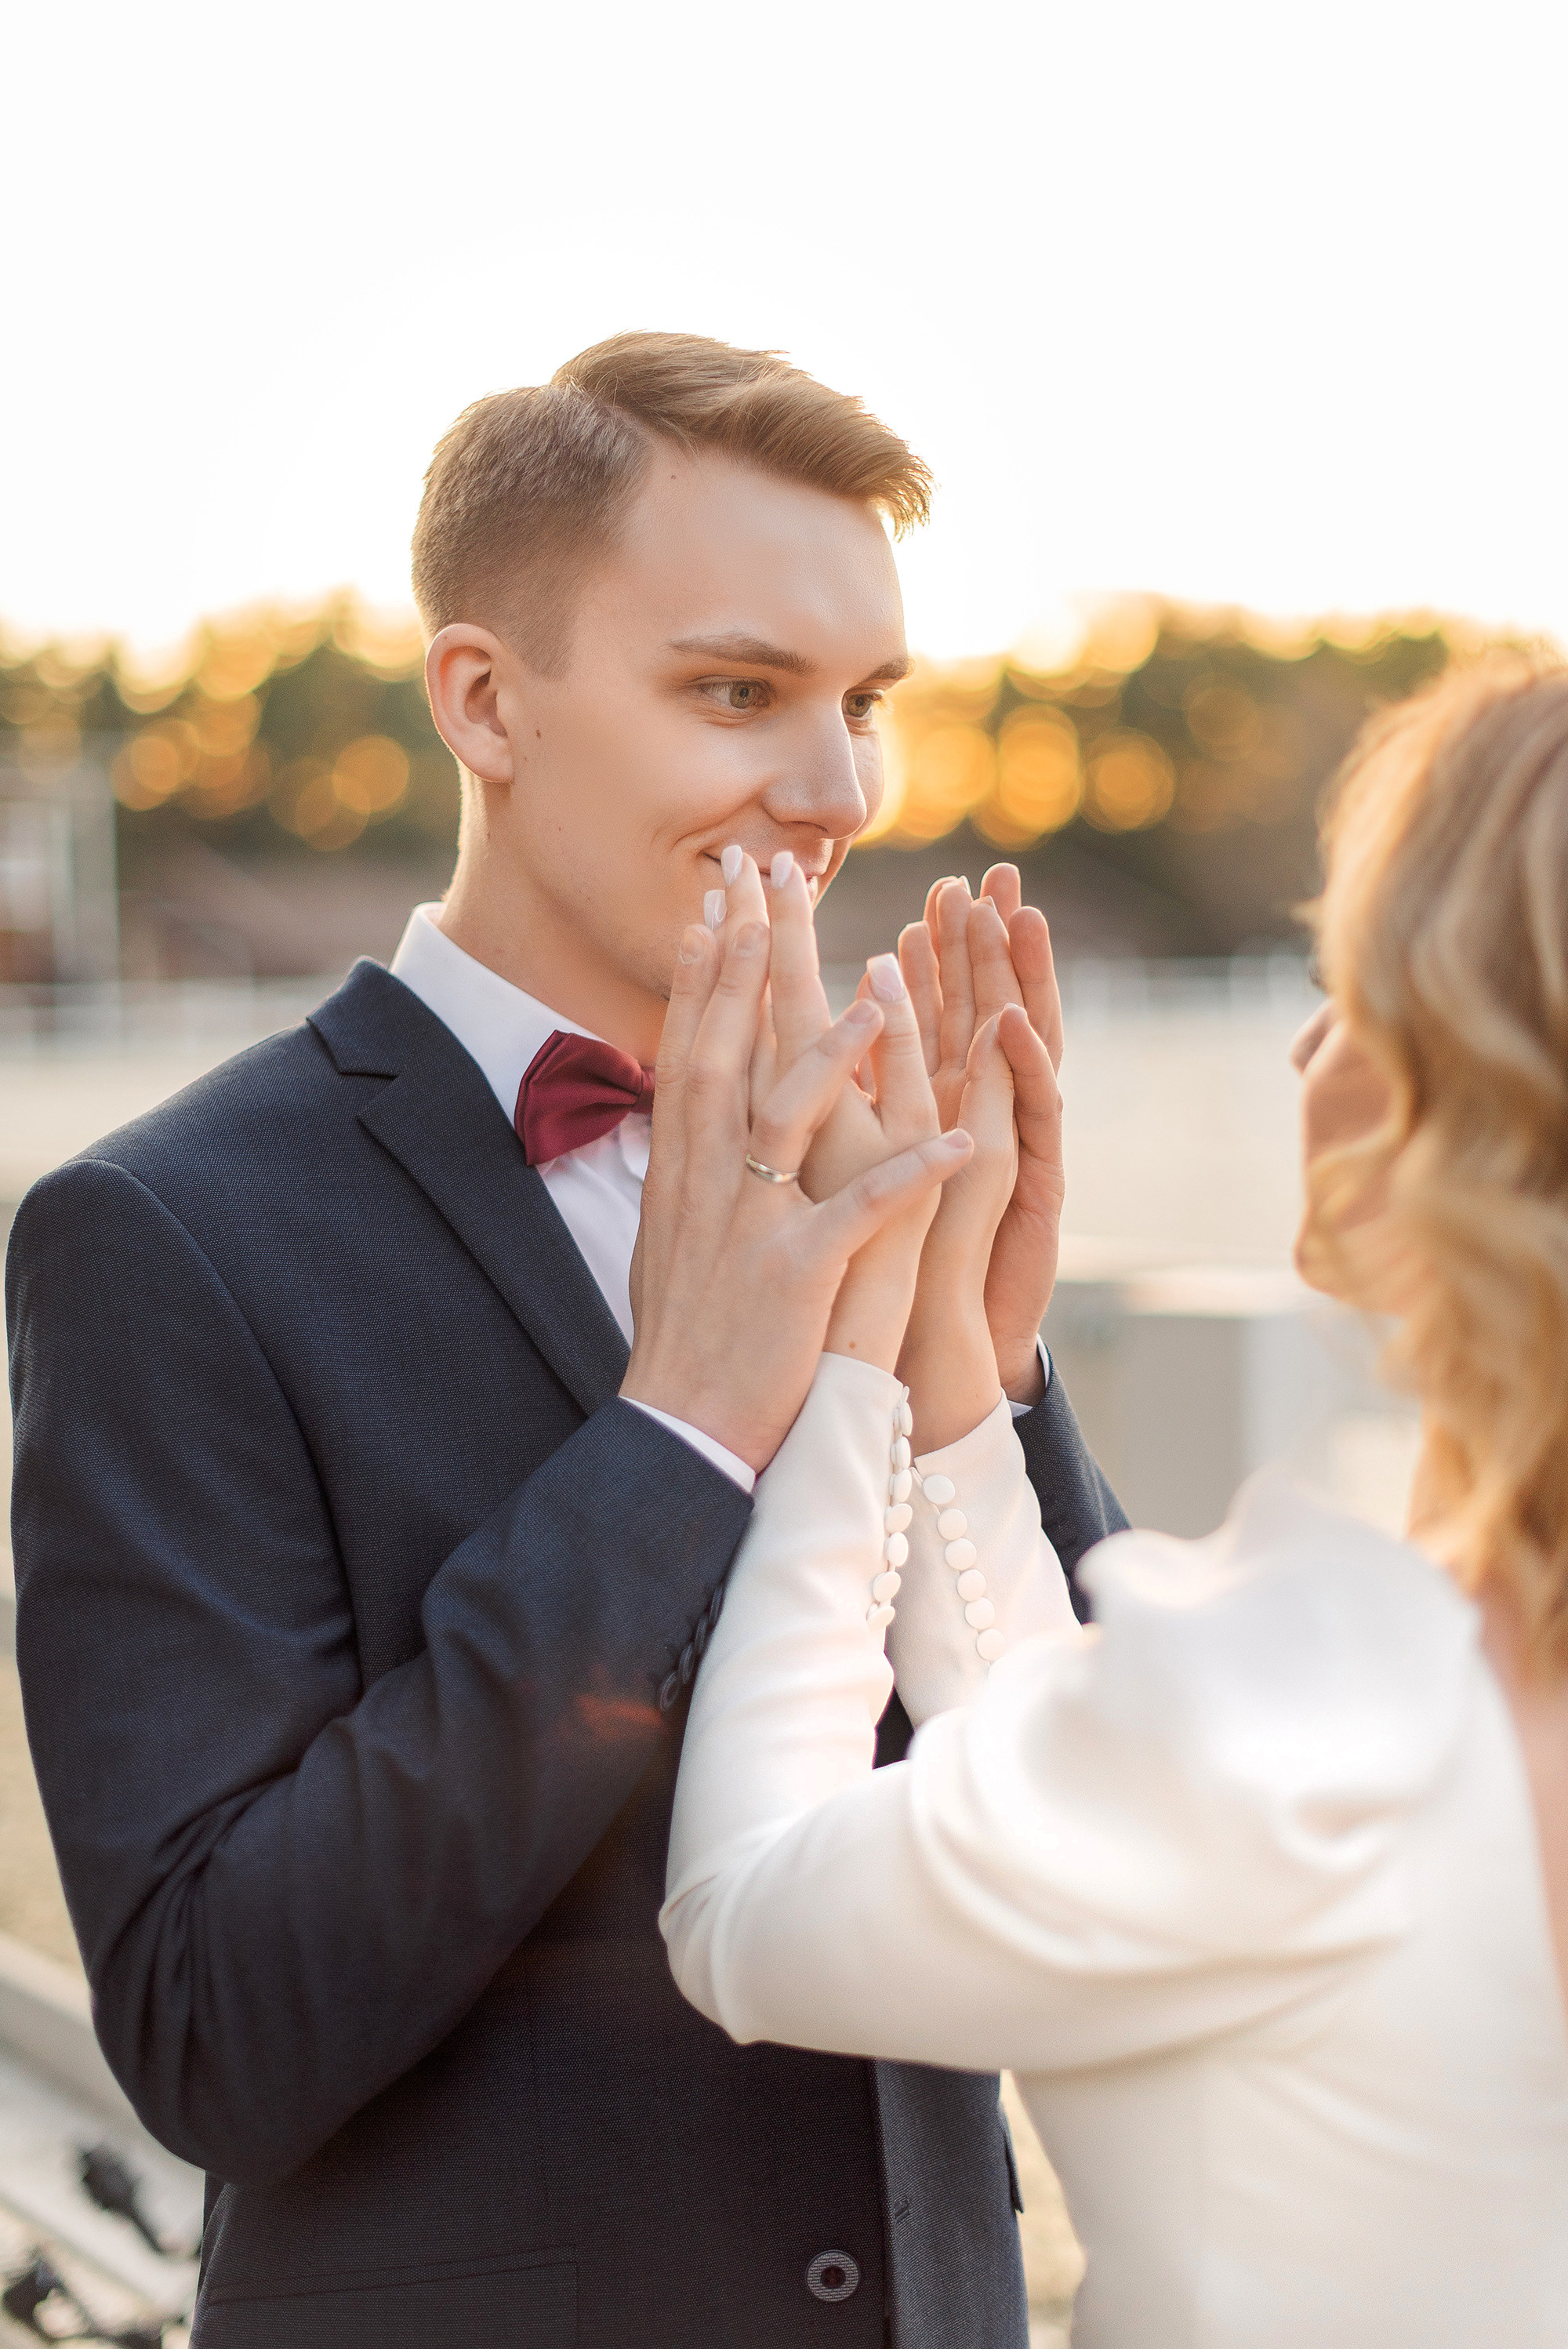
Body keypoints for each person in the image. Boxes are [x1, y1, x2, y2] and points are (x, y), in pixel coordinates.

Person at [5, 334, 1123, 2349]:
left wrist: (976, 1366)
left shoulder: (885, 1151)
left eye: (860, 702)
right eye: (736, 690)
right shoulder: (166, 1235)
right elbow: (214, 2032)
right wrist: (680, 1431)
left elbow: (1108, 1853)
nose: (837, 788)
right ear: (484, 702)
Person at [661, 658, 1568, 2347]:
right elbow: (1085, 1809)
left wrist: (853, 1330)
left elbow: (739, 1910)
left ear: (1438, 1091)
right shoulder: (1330, 1716)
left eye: (1343, 977)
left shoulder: (1305, 1703)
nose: (1307, 1033)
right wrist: (949, 1371)